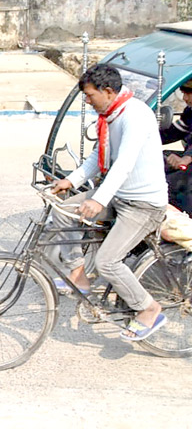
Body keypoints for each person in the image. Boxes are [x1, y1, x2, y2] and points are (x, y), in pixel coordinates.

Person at [50, 64, 169, 341]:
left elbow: (124, 164)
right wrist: (71, 181)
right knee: (64, 211)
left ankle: (148, 308)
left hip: (143, 205)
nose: (88, 102)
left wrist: (98, 199)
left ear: (107, 91)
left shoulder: (135, 115)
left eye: (90, 96)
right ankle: (78, 275)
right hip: (119, 196)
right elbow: (97, 157)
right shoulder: (110, 115)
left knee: (107, 262)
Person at [160, 80, 192, 212]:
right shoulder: (190, 111)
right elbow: (175, 131)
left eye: (189, 94)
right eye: (183, 93)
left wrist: (187, 158)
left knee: (171, 184)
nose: (185, 98)